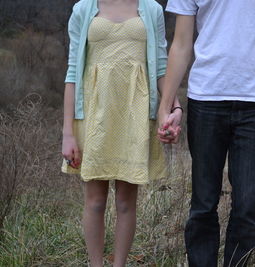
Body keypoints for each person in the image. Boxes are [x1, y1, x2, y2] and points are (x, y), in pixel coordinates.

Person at [157, 0, 255, 266]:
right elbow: (181, 44)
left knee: (247, 206)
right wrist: (165, 107)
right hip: (205, 99)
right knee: (203, 204)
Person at [61, 0, 182, 266]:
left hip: (134, 116)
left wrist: (174, 106)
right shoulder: (83, 8)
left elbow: (161, 68)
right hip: (95, 116)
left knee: (127, 202)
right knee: (94, 201)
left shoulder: (151, 10)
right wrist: (67, 133)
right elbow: (72, 72)